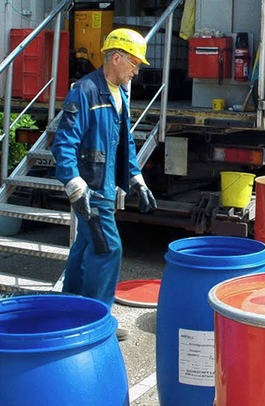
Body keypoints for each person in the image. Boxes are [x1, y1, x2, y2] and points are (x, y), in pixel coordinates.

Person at [52, 28, 157, 341]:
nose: (137, 71)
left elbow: (123, 141)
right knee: (107, 247)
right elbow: (64, 143)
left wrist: (136, 178)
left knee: (84, 246)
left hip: (106, 185)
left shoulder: (120, 92)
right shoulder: (85, 91)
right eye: (134, 64)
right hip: (91, 188)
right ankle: (97, 322)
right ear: (116, 57)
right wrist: (74, 183)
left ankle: (70, 309)